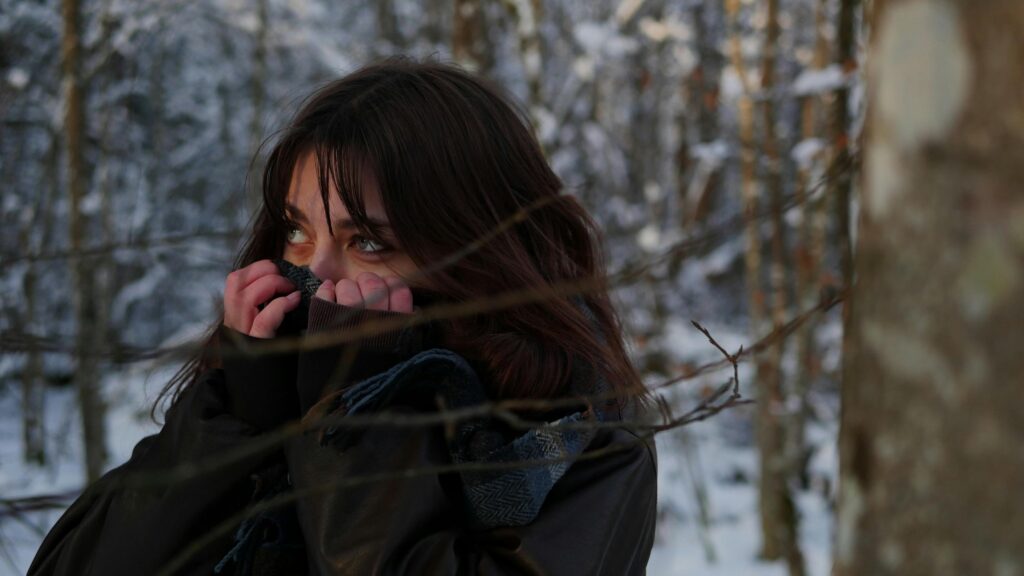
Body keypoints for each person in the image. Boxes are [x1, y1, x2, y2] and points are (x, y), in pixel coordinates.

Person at [29, 57, 657, 576]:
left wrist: (360, 419)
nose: (319, 274)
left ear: (481, 250)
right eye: (298, 232)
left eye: (369, 243)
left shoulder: (576, 435)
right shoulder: (275, 377)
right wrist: (235, 421)